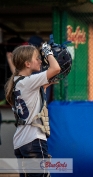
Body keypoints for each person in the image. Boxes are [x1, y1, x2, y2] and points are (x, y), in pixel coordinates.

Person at [4, 44, 60, 176]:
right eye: (37, 58)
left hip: (21, 142)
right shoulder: (29, 81)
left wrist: (54, 74)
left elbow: (49, 80)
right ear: (27, 64)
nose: (41, 60)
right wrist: (48, 52)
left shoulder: (18, 82)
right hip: (33, 140)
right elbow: (56, 68)